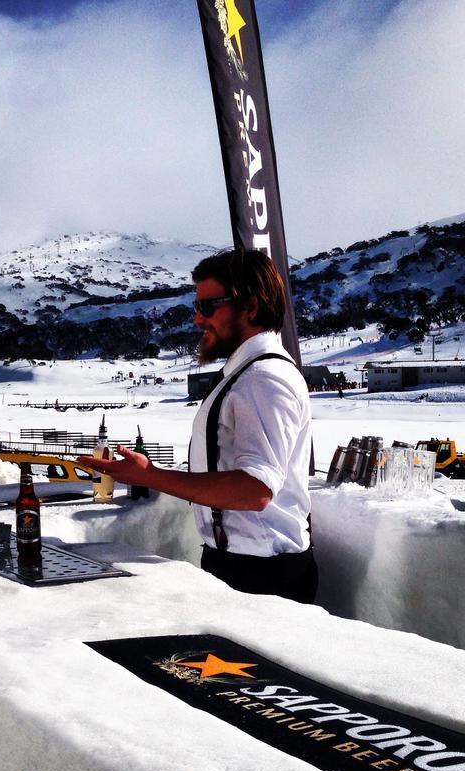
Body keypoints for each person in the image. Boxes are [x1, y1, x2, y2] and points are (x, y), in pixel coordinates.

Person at [79, 248, 316, 603]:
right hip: (241, 566)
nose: (197, 320)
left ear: (250, 307)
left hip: (264, 575)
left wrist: (150, 476)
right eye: (196, 307)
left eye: (207, 307)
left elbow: (256, 489)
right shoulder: (246, 373)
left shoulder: (264, 379)